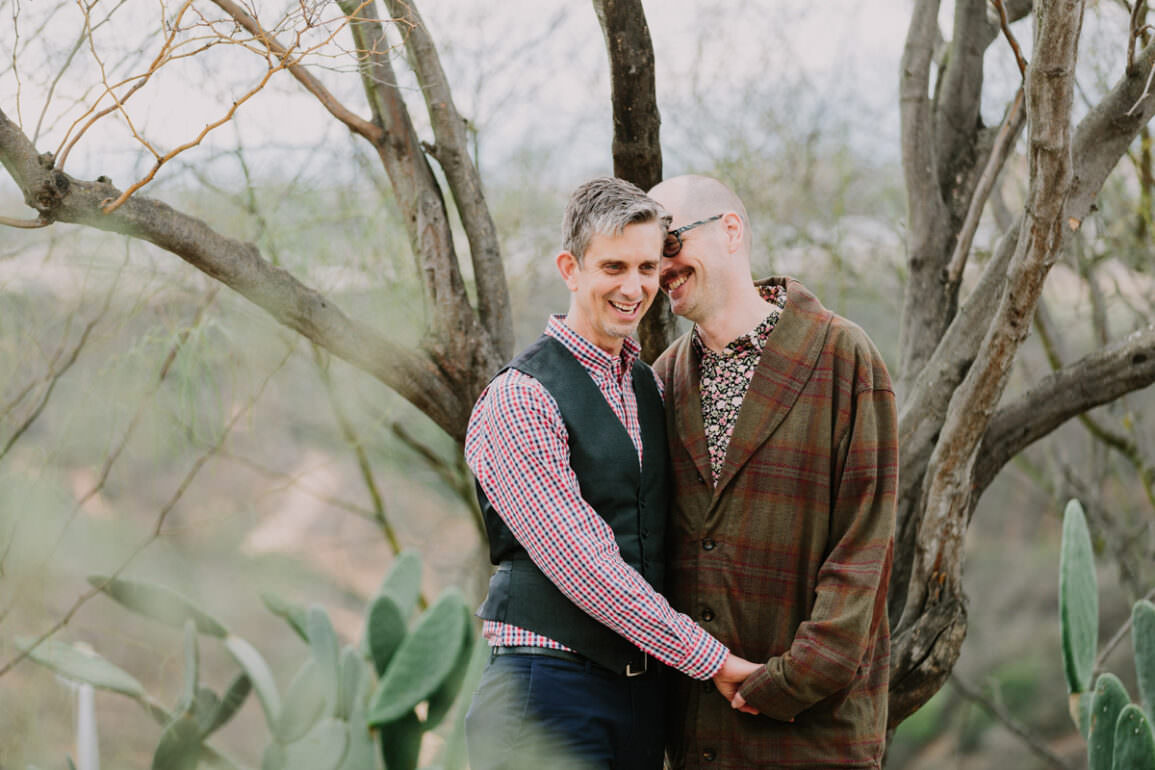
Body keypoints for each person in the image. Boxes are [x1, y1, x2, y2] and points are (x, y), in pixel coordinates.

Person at [463, 176, 760, 770]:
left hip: (639, 701)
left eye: (648, 267)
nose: (634, 287)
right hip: (543, 694)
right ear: (570, 268)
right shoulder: (521, 399)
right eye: (613, 266)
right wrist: (715, 662)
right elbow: (586, 567)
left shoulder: (650, 386)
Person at [649, 174, 899, 769]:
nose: (661, 268)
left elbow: (864, 549)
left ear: (730, 230)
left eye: (670, 243)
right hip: (698, 736)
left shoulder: (845, 358)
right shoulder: (660, 380)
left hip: (817, 734)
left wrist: (787, 680)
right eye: (648, 255)